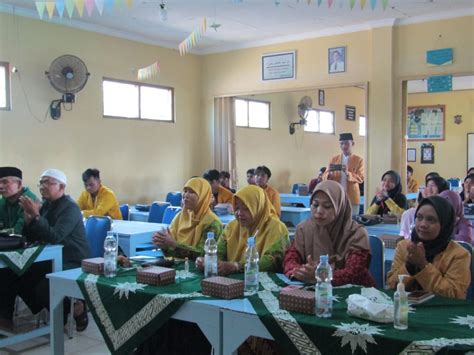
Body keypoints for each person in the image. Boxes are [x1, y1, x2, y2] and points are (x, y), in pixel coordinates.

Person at [0, 169, 90, 331]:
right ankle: (6, 319)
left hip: (70, 259)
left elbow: (55, 237)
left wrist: (35, 216)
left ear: (61, 187)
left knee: (42, 285)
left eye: (48, 182)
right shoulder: (46, 206)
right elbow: (31, 237)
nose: (42, 186)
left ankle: (69, 309)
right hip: (47, 257)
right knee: (12, 273)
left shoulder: (70, 208)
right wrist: (29, 220)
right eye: (41, 182)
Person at [284, 181, 375, 286]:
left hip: (355, 295)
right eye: (315, 204)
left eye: (327, 206)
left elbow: (353, 273)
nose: (319, 211)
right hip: (315, 290)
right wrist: (302, 272)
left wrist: (320, 276)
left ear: (340, 207)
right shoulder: (304, 229)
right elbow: (289, 259)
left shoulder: (356, 233)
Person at [387, 196, 471, 299]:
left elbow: (454, 295)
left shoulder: (459, 255)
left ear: (444, 224)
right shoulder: (405, 247)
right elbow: (391, 286)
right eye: (419, 217)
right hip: (406, 310)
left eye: (431, 220)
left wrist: (423, 265)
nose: (423, 224)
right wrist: (409, 266)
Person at [196, 185, 289, 274]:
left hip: (258, 280)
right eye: (237, 208)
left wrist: (237, 266)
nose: (239, 213)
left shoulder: (276, 228)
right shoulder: (232, 227)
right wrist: (208, 262)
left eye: (246, 208)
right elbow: (219, 252)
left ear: (258, 207)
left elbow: (272, 262)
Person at [151, 177, 222, 260]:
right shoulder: (180, 217)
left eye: (191, 192)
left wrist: (173, 244)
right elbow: (172, 252)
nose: (186, 195)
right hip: (179, 266)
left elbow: (203, 255)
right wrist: (163, 244)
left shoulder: (212, 223)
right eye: (185, 191)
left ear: (203, 196)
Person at [322, 133, 364, 215]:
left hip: (352, 197)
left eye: (347, 143)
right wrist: (329, 173)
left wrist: (348, 174)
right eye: (341, 143)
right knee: (335, 220)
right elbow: (324, 177)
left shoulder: (359, 160)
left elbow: (361, 177)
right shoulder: (334, 159)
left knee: (352, 221)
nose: (344, 146)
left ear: (353, 144)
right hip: (336, 196)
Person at [0, 167, 38, 234]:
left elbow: (19, 230)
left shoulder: (28, 200)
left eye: (5, 182)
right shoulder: (2, 201)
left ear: (19, 184)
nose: (0, 186)